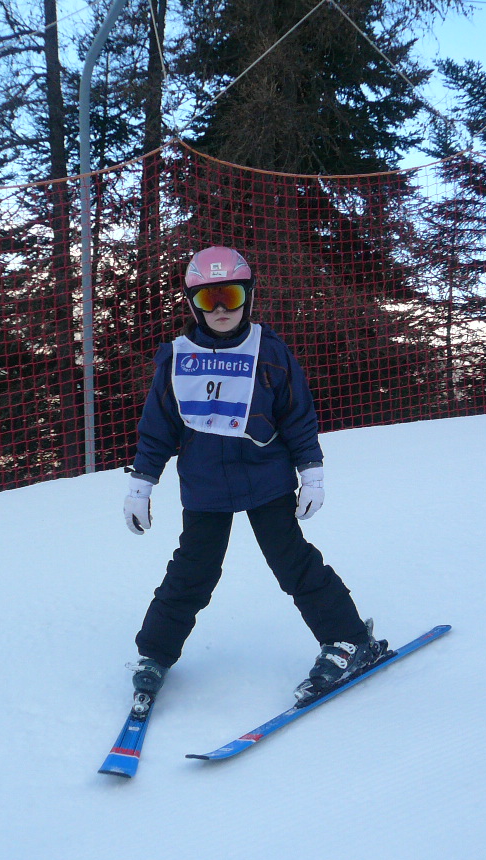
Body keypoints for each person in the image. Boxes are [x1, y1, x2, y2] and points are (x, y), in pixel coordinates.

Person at [122, 245, 384, 716]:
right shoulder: (176, 360)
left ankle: (348, 639)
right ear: (192, 304)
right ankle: (155, 654)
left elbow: (297, 415)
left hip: (267, 480)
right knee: (192, 572)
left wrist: (312, 471)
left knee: (292, 561)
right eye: (209, 299)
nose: (221, 309)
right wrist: (142, 483)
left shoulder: (270, 352)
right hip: (204, 485)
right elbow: (158, 427)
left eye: (232, 296)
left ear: (249, 296)